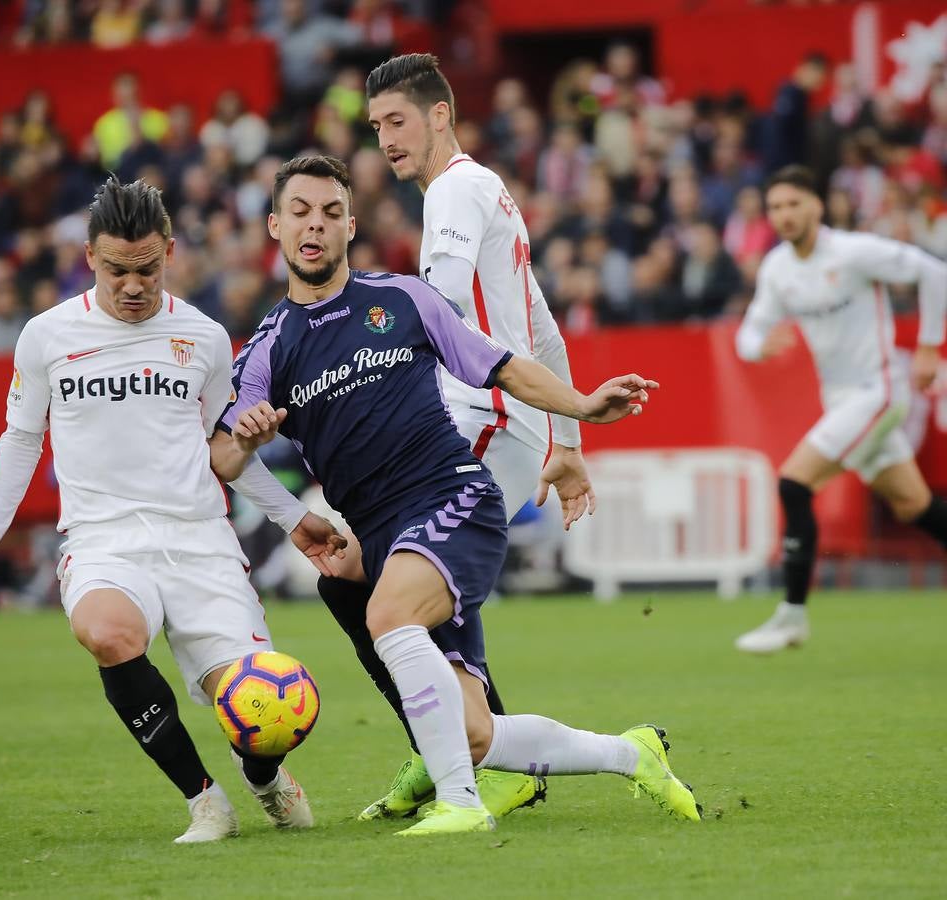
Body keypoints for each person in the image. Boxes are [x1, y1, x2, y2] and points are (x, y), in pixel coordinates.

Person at [213, 155, 700, 836]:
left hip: (453, 502)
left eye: (329, 213)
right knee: (473, 732)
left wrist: (582, 409)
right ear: (274, 226)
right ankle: (631, 753)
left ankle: (461, 806)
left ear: (352, 225)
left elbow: (503, 367)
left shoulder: (403, 299)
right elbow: (225, 455)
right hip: (383, 535)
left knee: (386, 615)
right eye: (300, 212)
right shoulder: (268, 346)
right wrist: (255, 439)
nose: (314, 226)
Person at [0, 176, 344, 843]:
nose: (133, 285)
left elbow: (225, 450)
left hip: (198, 536)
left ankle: (263, 778)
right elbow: (21, 437)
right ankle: (206, 801)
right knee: (107, 634)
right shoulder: (47, 337)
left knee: (259, 704)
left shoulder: (206, 337)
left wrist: (290, 517)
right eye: (116, 271)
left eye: (147, 269)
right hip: (103, 538)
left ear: (168, 251)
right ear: (89, 257)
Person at [311, 51, 599, 822]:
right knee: (369, 580)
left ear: (441, 114)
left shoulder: (455, 192)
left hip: (478, 420)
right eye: (375, 127)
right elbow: (538, 323)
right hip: (499, 423)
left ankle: (471, 754)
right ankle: (454, 748)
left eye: (397, 121)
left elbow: (431, 307)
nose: (385, 140)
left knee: (372, 580)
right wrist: (566, 442)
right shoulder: (488, 192)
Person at [733, 165, 947, 654]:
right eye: (776, 207)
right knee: (914, 505)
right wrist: (758, 348)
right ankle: (790, 618)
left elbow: (934, 273)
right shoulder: (778, 269)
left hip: (879, 391)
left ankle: (791, 616)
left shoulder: (854, 252)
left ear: (817, 206)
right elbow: (749, 331)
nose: (784, 215)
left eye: (793, 204)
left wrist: (931, 347)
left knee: (793, 482)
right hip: (843, 399)